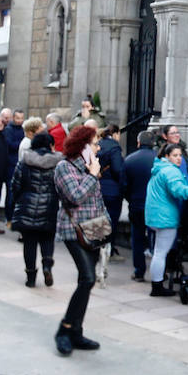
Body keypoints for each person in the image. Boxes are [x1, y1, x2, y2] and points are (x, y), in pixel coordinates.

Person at [52, 125, 105, 356]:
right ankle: (64, 329)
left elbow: (96, 200)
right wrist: (93, 175)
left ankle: (76, 330)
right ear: (83, 145)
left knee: (88, 281)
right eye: (94, 143)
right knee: (87, 278)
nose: (98, 147)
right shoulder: (65, 167)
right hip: (74, 229)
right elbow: (75, 197)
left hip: (94, 228)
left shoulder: (87, 165)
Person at [145, 143, 188, 295]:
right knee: (160, 253)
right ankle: (157, 287)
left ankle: (157, 284)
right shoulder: (171, 172)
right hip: (165, 217)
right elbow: (179, 190)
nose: (179, 158)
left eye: (180, 155)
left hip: (155, 215)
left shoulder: (159, 169)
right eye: (175, 155)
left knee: (157, 252)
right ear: (167, 156)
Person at [11, 129, 60, 287]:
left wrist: (20, 199)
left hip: (27, 206)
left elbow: (15, 185)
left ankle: (31, 277)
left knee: (29, 242)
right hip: (50, 207)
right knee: (47, 238)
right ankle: (47, 265)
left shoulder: (25, 161)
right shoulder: (57, 163)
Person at [121, 129, 158, 282]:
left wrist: (130, 199)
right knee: (156, 238)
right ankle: (159, 271)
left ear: (138, 143)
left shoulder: (129, 160)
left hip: (137, 204)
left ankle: (139, 271)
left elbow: (123, 185)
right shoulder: (159, 160)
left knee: (137, 237)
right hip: (155, 205)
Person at [96, 124, 125, 254]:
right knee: (111, 219)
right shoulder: (114, 147)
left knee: (100, 219)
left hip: (98, 186)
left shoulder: (98, 143)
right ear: (116, 134)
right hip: (112, 189)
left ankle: (99, 246)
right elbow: (117, 169)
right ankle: (109, 248)